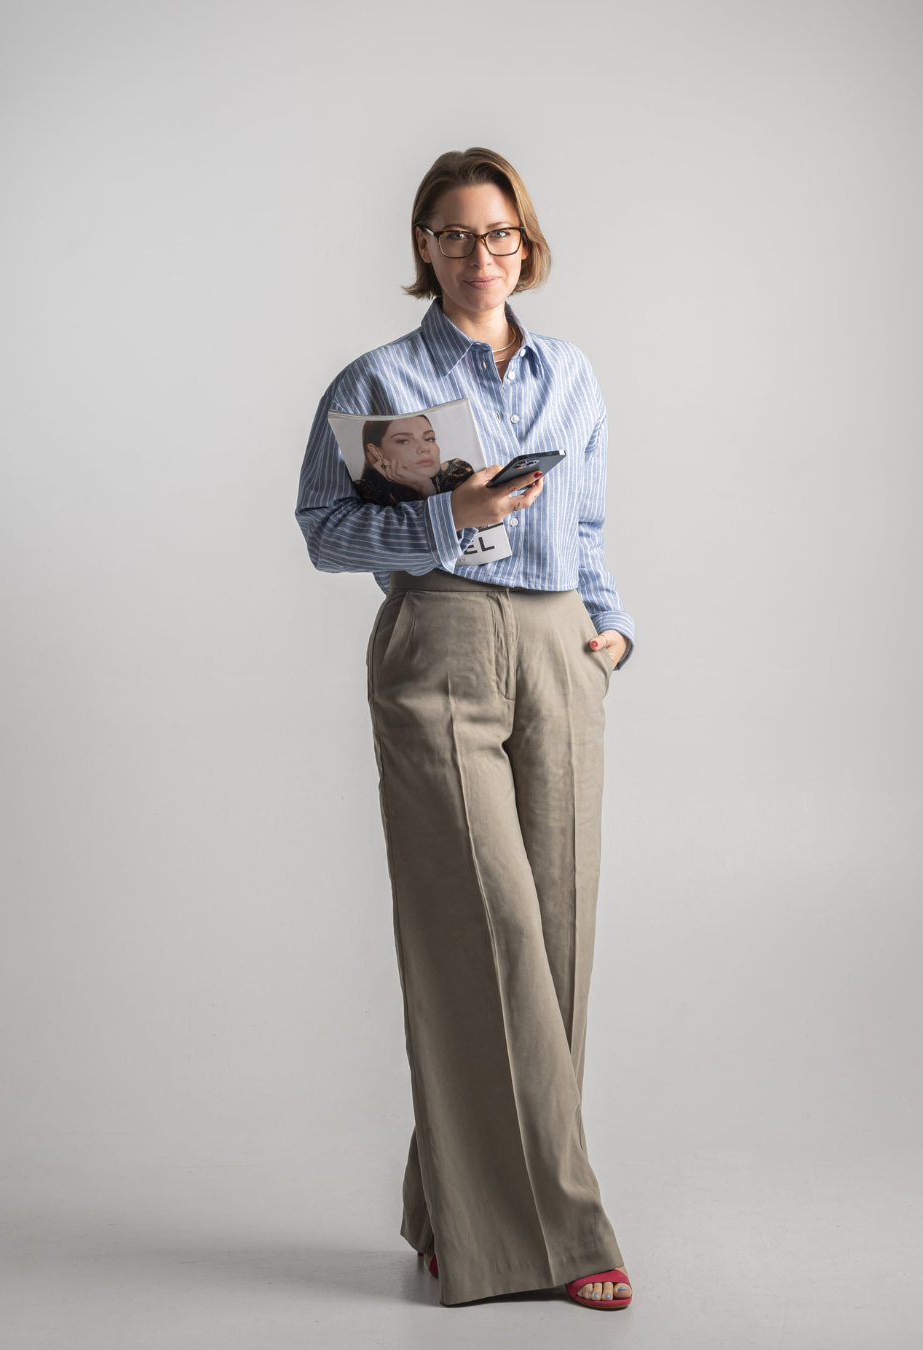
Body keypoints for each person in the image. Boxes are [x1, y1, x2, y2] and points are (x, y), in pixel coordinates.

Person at [294, 147, 636, 1311]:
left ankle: (453, 1207)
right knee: (484, 934)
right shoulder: (379, 379)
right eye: (454, 235)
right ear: (422, 248)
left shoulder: (571, 375)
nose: (480, 255)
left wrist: (613, 632)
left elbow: (587, 529)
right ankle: (556, 1233)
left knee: (557, 937)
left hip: (559, 652)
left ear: (524, 244)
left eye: (499, 235)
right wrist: (453, 510)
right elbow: (327, 534)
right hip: (438, 642)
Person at [354, 414, 474, 507]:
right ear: (376, 452)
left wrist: (426, 488)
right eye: (403, 441)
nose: (424, 448)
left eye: (429, 439)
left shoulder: (456, 472)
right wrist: (424, 488)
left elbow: (478, 524)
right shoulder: (363, 494)